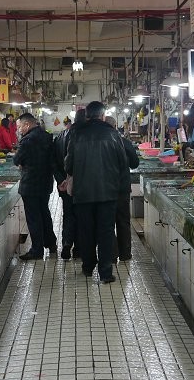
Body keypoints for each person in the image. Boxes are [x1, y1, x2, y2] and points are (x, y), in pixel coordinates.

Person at [65, 101, 130, 283]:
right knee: (106, 231)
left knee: (85, 231)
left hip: (83, 193)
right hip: (107, 193)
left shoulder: (76, 133)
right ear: (103, 115)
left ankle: (87, 267)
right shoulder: (113, 134)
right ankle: (105, 273)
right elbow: (123, 163)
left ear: (87, 115)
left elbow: (68, 165)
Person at [14, 113, 57, 260]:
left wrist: (21, 163)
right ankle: (51, 244)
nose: (19, 130)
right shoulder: (47, 136)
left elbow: (16, 159)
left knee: (33, 218)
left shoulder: (27, 140)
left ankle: (37, 250)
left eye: (19, 126)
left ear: (27, 125)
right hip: (45, 182)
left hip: (30, 184)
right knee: (44, 213)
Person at [106, 115, 139, 262]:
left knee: (108, 222)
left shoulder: (101, 143)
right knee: (123, 221)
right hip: (123, 188)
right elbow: (134, 163)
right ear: (115, 126)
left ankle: (112, 255)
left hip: (106, 189)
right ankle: (125, 254)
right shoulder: (124, 142)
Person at [53, 110, 85, 260]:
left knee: (68, 214)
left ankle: (67, 242)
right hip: (79, 184)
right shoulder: (82, 136)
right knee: (81, 215)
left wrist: (60, 180)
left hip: (63, 184)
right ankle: (78, 248)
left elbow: (53, 161)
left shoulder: (60, 136)